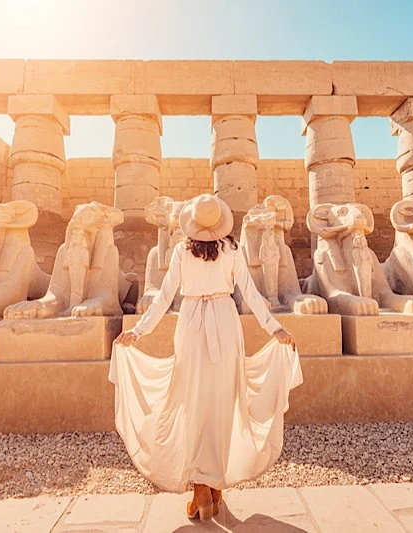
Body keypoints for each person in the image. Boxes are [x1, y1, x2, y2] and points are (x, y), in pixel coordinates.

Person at [110, 193, 303, 521]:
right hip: (225, 324)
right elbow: (251, 294)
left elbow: (163, 297)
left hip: (191, 325)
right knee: (221, 403)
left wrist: (137, 332)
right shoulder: (232, 250)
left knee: (194, 401)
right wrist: (275, 330)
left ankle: (203, 486)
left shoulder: (182, 251)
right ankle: (211, 486)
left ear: (192, 224)